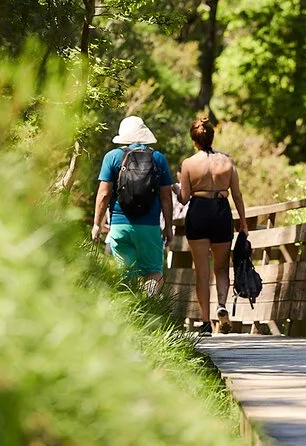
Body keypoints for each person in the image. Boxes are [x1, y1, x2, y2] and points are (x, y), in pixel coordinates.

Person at [173, 117, 248, 336]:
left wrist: (176, 189)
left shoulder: (188, 164)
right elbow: (237, 195)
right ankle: (221, 305)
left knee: (202, 272)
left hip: (199, 212)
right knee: (222, 268)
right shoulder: (227, 162)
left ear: (194, 140)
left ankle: (205, 322)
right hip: (221, 213)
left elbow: (184, 199)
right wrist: (243, 222)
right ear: (212, 137)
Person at [91, 116, 173, 295]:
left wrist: (97, 224)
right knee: (153, 271)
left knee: (125, 274)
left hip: (120, 225)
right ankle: (148, 300)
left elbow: (104, 194)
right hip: (150, 226)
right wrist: (168, 226)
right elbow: (166, 197)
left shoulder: (112, 157)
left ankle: (130, 307)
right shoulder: (158, 158)